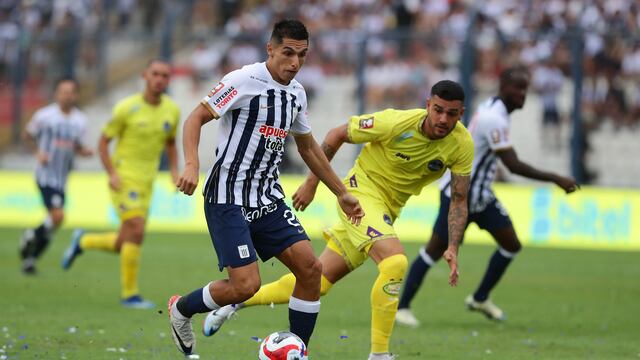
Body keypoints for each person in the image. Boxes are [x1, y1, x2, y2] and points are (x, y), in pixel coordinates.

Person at [203, 80, 474, 360]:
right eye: (438, 110)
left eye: (451, 114)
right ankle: (379, 355)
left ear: (461, 113)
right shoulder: (395, 122)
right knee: (395, 262)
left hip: (386, 211)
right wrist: (312, 183)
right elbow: (336, 135)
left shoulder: (462, 145)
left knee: (316, 282)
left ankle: (233, 303)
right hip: (359, 197)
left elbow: (458, 198)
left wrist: (453, 245)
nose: (443, 119)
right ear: (428, 105)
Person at [166, 19, 364, 357]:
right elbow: (195, 118)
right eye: (288, 53)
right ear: (270, 49)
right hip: (228, 196)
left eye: (302, 55)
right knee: (246, 286)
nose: (295, 63)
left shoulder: (296, 94)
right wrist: (191, 164)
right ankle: (181, 309)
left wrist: (340, 191)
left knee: (310, 269)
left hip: (267, 196)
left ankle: (298, 351)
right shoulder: (243, 80)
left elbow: (308, 147)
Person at [395, 66, 579, 327]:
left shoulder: (497, 110)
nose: (522, 95)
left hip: (482, 196)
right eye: (517, 89)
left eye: (525, 90)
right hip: (459, 194)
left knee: (511, 244)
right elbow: (513, 165)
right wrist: (557, 178)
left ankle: (480, 297)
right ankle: (402, 307)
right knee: (434, 251)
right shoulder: (494, 117)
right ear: (503, 86)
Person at [61, 60, 180, 309]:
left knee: (125, 240)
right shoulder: (127, 107)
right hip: (124, 178)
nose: (159, 79)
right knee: (136, 230)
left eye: (164, 76)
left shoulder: (172, 110)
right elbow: (103, 142)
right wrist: (112, 173)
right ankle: (130, 295)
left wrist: (174, 170)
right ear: (145, 76)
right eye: (155, 74)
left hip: (148, 181)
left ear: (168, 81)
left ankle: (82, 242)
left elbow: (170, 142)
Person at [19, 78, 93, 274]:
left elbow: (76, 145)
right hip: (45, 175)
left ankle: (30, 259)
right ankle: (29, 235)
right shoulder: (45, 116)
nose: (67, 95)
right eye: (63, 91)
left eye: (70, 92)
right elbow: (27, 135)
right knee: (58, 216)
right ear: (56, 94)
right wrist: (37, 153)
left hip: (62, 178)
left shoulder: (80, 120)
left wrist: (83, 151)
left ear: (76, 95)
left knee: (55, 223)